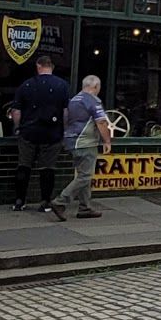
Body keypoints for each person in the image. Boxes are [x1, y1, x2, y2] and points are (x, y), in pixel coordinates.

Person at [10, 54, 71, 211]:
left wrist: (17, 127)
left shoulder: (26, 85)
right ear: (52, 67)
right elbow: (65, 111)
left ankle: (19, 201)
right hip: (52, 132)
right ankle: (45, 202)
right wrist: (65, 130)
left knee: (24, 166)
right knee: (47, 168)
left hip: (28, 131)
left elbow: (16, 110)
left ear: (38, 66)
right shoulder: (62, 85)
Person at [49, 76, 112, 221]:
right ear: (96, 87)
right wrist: (107, 141)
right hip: (86, 142)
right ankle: (60, 201)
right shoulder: (93, 101)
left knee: (83, 175)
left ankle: (85, 208)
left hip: (72, 141)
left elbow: (65, 119)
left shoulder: (73, 100)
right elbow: (101, 122)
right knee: (85, 176)